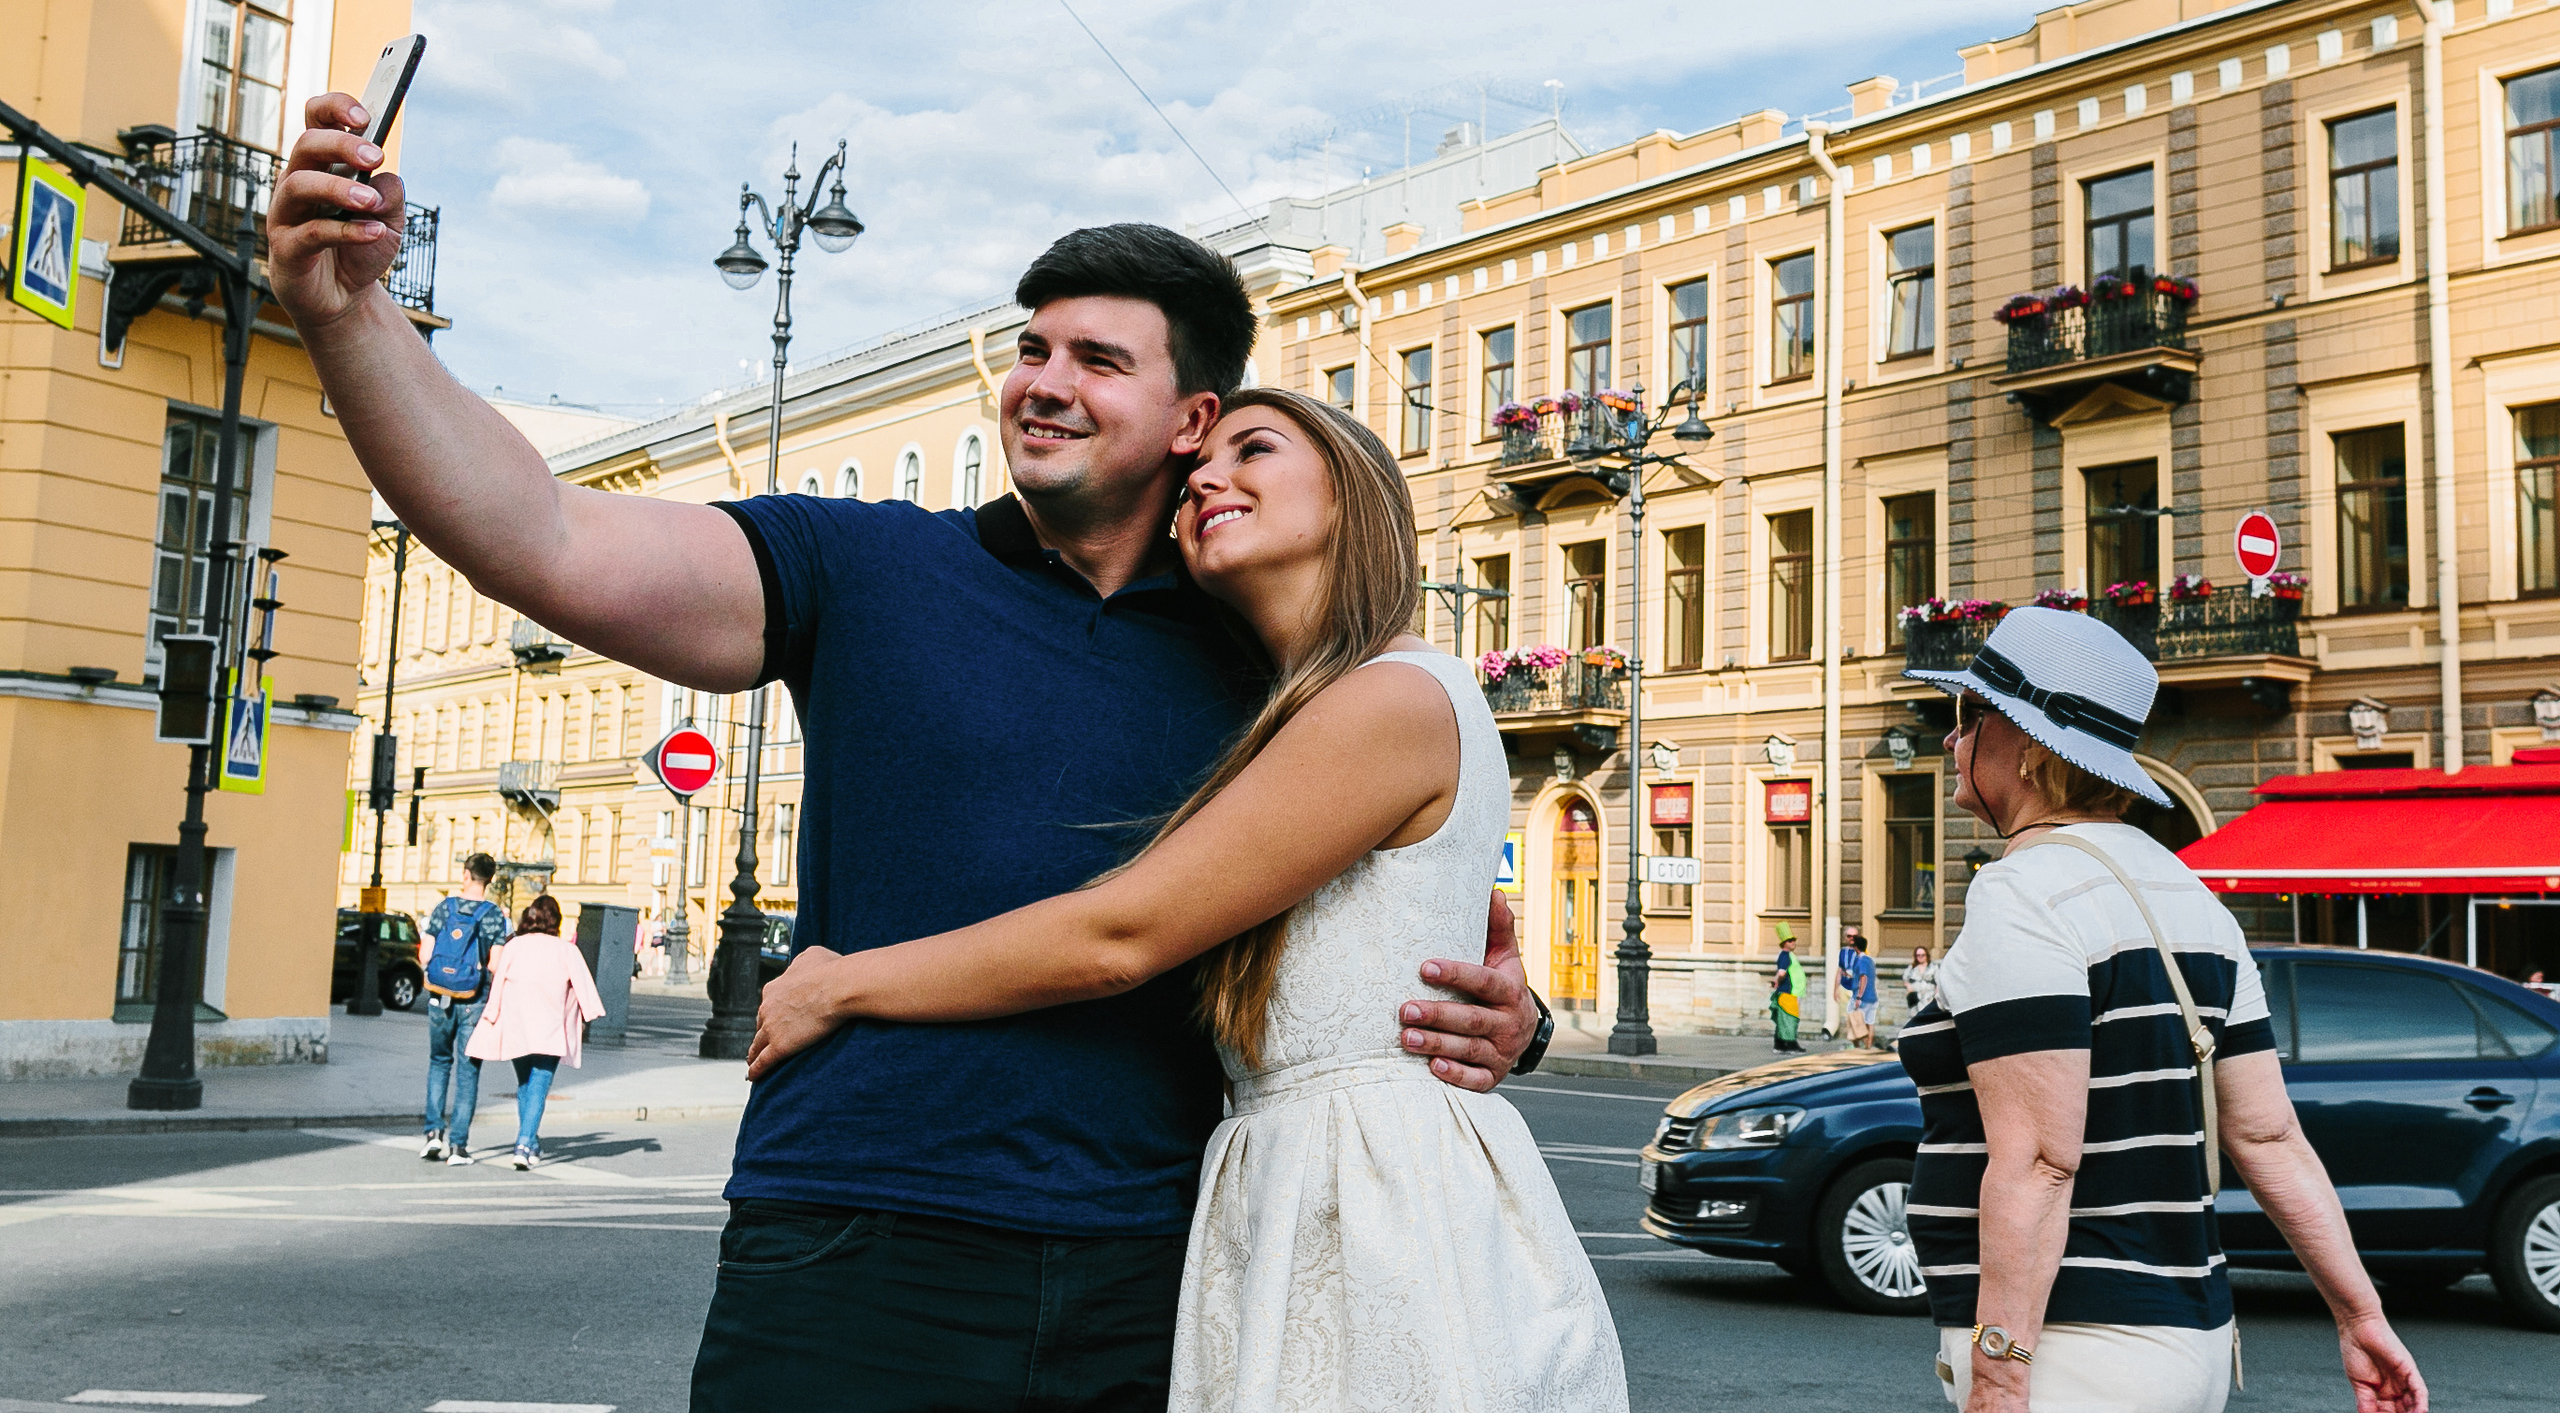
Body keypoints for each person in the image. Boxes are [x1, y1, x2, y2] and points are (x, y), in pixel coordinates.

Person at [263, 93, 1539, 1412]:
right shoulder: (866, 563)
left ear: (1190, 418)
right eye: (1035, 347)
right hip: (854, 1234)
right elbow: (543, 533)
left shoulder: (1274, 665)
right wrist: (349, 315)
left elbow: (1409, 921)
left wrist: (1512, 1014)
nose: (1044, 380)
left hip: (1148, 1269)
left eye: (1099, 358)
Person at [748, 389, 1626, 1410]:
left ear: (1352, 498)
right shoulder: (1301, 709)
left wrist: (842, 984)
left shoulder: (1388, 698)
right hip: (1312, 1180)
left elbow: (1125, 934)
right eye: (1194, 472)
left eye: (1253, 450)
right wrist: (1517, 1025)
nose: (1207, 477)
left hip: (1374, 1199)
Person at [1902, 607, 2425, 1413]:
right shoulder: (2191, 894)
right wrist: (2363, 1315)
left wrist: (2001, 1376)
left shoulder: (2024, 891)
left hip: (2072, 1352)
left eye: (1968, 717)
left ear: (2031, 748)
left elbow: (2041, 1159)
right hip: (2193, 1342)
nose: (1950, 739)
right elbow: (2270, 1135)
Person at [464, 894, 604, 1170]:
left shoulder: (514, 946)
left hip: (517, 1027)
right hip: (549, 1029)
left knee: (525, 1085)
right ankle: (524, 1143)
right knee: (539, 1086)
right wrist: (589, 1015)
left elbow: (498, 984)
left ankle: (531, 1142)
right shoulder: (566, 950)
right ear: (556, 920)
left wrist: (491, 1016)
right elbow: (585, 988)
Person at [418, 852, 510, 1167]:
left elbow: (426, 955)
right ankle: (458, 1147)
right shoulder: (494, 915)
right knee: (468, 1073)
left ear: (467, 874)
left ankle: (433, 1136)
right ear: (490, 879)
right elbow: (496, 965)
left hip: (440, 996)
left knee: (439, 1063)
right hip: (474, 999)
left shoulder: (444, 908)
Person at [1839, 927, 1879, 1049]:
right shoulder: (1870, 960)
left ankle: (1858, 1047)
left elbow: (1863, 978)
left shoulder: (1860, 960)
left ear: (1856, 947)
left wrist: (1859, 997)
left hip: (1863, 997)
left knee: (1854, 1021)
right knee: (1869, 1023)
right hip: (1873, 997)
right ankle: (1868, 1048)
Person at [1771, 929, 1806, 1053]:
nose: (1793, 943)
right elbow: (1782, 973)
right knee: (1790, 1019)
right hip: (1788, 992)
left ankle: (1779, 1045)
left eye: (1794, 940)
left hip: (1791, 992)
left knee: (1784, 1019)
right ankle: (1791, 1045)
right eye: (1790, 941)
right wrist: (1777, 981)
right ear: (1784, 943)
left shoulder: (1789, 955)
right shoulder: (1785, 956)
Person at [1904, 943, 1938, 1016]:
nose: (1920, 957)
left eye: (1923, 955)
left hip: (1929, 996)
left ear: (1926, 955)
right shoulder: (1912, 968)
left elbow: (1938, 981)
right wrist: (1908, 986)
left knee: (1928, 1016)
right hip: (1915, 997)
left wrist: (1936, 994)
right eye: (1918, 955)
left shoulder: (1933, 967)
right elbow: (1905, 978)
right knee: (1914, 1016)